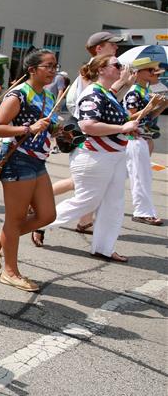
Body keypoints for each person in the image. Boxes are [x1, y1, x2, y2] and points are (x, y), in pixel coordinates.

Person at [44, 54, 139, 261]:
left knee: (114, 203)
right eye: (116, 65)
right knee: (87, 201)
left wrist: (127, 127)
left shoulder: (107, 92)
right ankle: (37, 222)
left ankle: (104, 247)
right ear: (101, 70)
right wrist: (123, 127)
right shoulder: (93, 93)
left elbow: (112, 107)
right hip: (95, 155)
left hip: (113, 155)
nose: (121, 68)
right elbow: (88, 125)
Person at [0, 50, 60, 292]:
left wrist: (56, 131)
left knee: (47, 215)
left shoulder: (47, 94)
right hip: (18, 161)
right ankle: (10, 272)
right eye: (48, 66)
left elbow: (46, 128)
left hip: (38, 161)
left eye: (55, 66)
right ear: (32, 69)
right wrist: (29, 127)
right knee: (14, 221)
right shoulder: (18, 95)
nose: (53, 70)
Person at [54, 32, 132, 233]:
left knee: (88, 191)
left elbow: (108, 99)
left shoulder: (104, 71)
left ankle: (82, 221)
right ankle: (41, 214)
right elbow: (94, 105)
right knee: (83, 190)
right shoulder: (93, 71)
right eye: (113, 45)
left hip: (100, 145)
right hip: (89, 142)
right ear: (99, 49)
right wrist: (122, 126)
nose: (117, 49)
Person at [123, 58, 164, 226]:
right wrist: (150, 106)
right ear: (138, 72)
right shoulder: (133, 92)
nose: (154, 74)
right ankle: (142, 212)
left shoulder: (144, 91)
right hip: (135, 138)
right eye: (150, 71)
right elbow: (129, 116)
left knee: (136, 175)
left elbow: (149, 117)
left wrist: (160, 106)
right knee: (141, 177)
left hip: (143, 138)